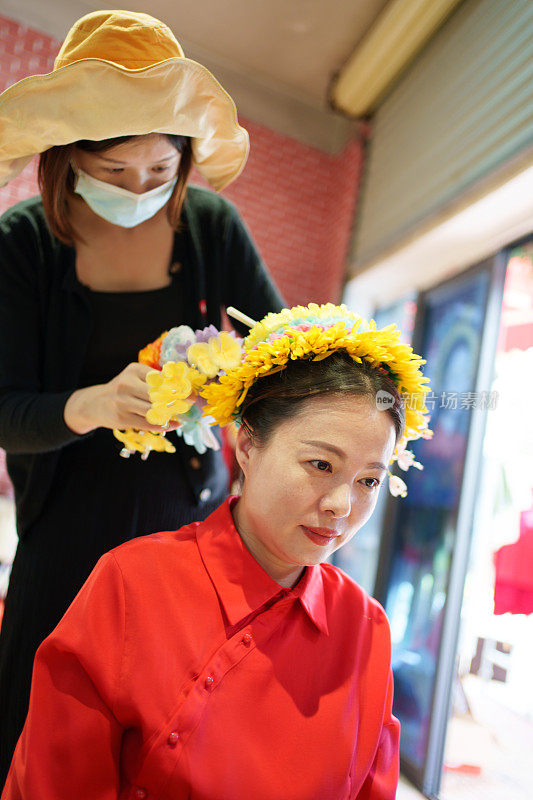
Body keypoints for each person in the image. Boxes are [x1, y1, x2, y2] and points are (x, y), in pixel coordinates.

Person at [0, 9, 284, 783]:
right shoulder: (23, 245)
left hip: (192, 527)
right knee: (39, 737)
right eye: (116, 175)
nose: (142, 192)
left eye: (161, 173)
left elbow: (282, 345)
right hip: (66, 527)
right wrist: (90, 405)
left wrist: (235, 377)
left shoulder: (209, 227)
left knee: (175, 736)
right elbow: (7, 411)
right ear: (66, 162)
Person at [1, 303, 430, 799]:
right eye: (320, 464)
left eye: (369, 480)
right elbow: (54, 783)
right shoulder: (132, 582)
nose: (341, 505)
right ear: (246, 445)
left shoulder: (365, 627)